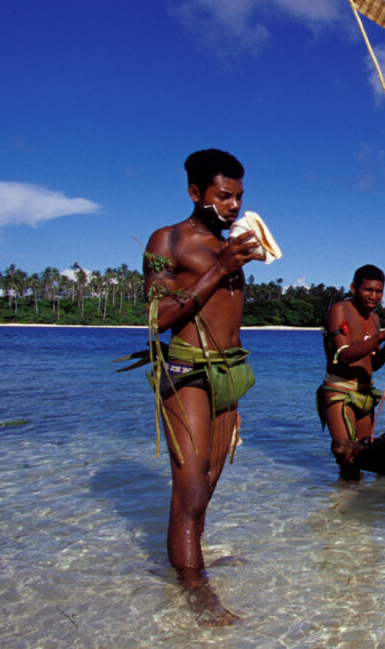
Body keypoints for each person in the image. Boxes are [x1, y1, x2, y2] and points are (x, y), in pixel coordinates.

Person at [143, 148, 263, 625]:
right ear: (196, 192)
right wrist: (221, 268)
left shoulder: (229, 242)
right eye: (224, 196)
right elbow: (158, 318)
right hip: (187, 370)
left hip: (229, 369)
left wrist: (230, 257)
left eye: (239, 197)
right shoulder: (168, 239)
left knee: (208, 484)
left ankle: (190, 561)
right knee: (189, 490)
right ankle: (195, 590)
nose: (234, 206)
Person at [317, 265, 385, 478]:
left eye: (378, 291)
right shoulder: (340, 310)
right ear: (353, 287)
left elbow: (374, 364)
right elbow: (343, 355)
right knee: (347, 457)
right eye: (368, 290)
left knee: (362, 458)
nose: (373, 296)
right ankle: (341, 507)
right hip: (339, 391)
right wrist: (381, 337)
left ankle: (358, 507)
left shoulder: (375, 318)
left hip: (365, 394)